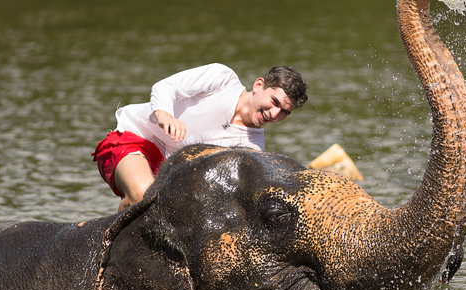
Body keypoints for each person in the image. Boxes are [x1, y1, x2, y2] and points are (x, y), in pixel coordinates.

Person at [93, 63, 308, 211]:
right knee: (142, 195)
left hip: (167, 174)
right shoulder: (222, 78)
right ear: (258, 85)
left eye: (284, 113)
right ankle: (106, 243)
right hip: (133, 137)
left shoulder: (253, 148)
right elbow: (165, 87)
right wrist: (165, 116)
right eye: (275, 102)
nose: (274, 114)